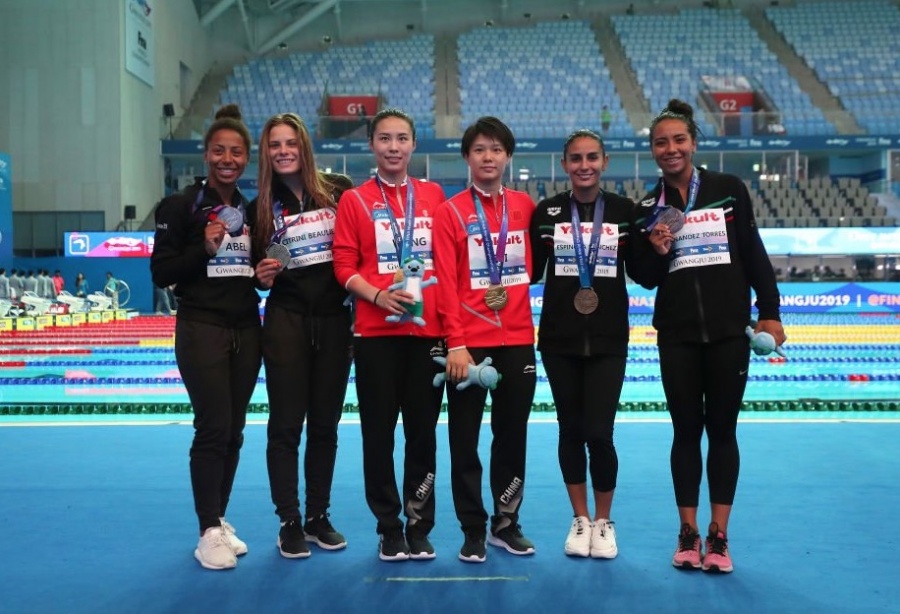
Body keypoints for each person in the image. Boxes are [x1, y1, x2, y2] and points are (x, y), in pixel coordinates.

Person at [636, 99, 785, 574]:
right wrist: (656, 250)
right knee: (685, 432)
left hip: (727, 333)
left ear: (693, 144)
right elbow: (643, 276)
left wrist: (771, 312)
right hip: (676, 335)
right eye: (662, 142)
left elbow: (753, 251)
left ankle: (719, 536)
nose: (671, 148)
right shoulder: (648, 206)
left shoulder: (727, 189)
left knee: (722, 431)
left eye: (679, 140)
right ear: (653, 151)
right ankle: (687, 531)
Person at [529, 129, 656, 559]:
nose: (584, 165)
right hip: (559, 340)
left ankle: (604, 522)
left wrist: (658, 248)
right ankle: (579, 519)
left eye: (592, 158)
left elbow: (643, 273)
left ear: (604, 162)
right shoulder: (546, 212)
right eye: (576, 158)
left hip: (607, 339)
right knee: (570, 430)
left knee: (600, 434)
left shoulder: (624, 211)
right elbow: (527, 271)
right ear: (564, 165)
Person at [150, 103, 262, 571]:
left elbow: (249, 275)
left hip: (245, 328)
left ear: (246, 158)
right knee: (213, 427)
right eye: (219, 150)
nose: (227, 159)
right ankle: (206, 531)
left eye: (236, 152)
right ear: (206, 154)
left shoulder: (250, 209)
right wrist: (205, 247)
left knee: (234, 431)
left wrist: (265, 273)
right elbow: (161, 273)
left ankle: (218, 518)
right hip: (201, 328)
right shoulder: (180, 206)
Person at [332, 108, 447, 561]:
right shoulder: (355, 201)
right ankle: (388, 526)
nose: (393, 147)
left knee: (422, 434)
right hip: (376, 334)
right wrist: (379, 297)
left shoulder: (435, 196)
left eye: (402, 138)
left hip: (427, 333)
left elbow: (450, 262)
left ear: (414, 144)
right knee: (377, 434)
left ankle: (419, 523)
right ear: (372, 145)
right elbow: (343, 266)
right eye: (385, 138)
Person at [433, 116, 537, 563]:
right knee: (465, 439)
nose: (488, 157)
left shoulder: (525, 207)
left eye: (496, 149)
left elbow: (535, 269)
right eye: (479, 149)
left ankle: (506, 522)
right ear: (467, 157)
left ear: (508, 156)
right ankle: (472, 528)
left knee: (512, 437)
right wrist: (455, 342)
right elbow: (444, 284)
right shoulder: (450, 212)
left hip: (517, 340)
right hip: (468, 346)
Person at [251, 113, 354, 559]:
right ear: (266, 152)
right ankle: (289, 519)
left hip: (334, 320)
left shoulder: (339, 190)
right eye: (275, 144)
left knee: (326, 426)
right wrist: (261, 275)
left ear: (305, 145)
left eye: (291, 142)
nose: (284, 150)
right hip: (287, 320)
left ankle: (318, 515)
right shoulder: (259, 206)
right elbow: (255, 272)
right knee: (287, 424)